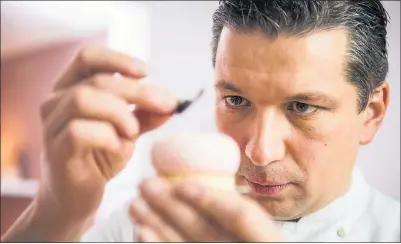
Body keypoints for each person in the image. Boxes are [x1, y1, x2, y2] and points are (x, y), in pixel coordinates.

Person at [2, 0, 400, 242]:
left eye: (302, 107)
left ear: (373, 112)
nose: (259, 151)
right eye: (236, 99)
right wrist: (57, 211)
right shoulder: (145, 227)